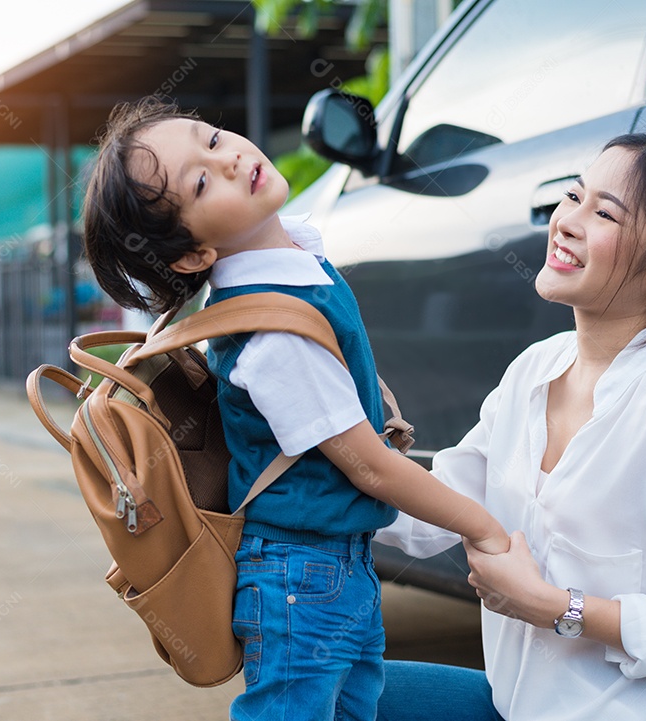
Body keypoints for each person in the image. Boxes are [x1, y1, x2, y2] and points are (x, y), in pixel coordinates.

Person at [82, 97, 510, 721]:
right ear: (194, 256)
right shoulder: (274, 339)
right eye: (201, 182)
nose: (229, 159)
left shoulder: (295, 254)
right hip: (299, 581)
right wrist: (482, 526)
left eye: (214, 136)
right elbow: (369, 466)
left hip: (333, 567)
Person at [375, 132, 646, 721]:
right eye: (573, 195)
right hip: (519, 707)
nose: (566, 221)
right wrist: (308, 467)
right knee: (326, 685)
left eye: (605, 212)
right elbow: (440, 505)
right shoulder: (535, 368)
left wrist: (551, 605)